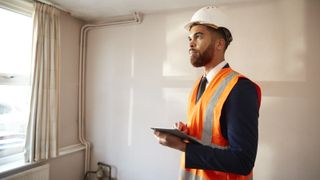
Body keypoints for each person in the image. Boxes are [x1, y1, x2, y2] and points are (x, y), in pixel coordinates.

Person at [154, 6, 261, 180]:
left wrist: (184, 147)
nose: (190, 43)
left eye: (198, 36)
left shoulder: (240, 88)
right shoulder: (199, 85)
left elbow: (243, 161)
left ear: (220, 43)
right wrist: (187, 134)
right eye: (189, 38)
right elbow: (210, 136)